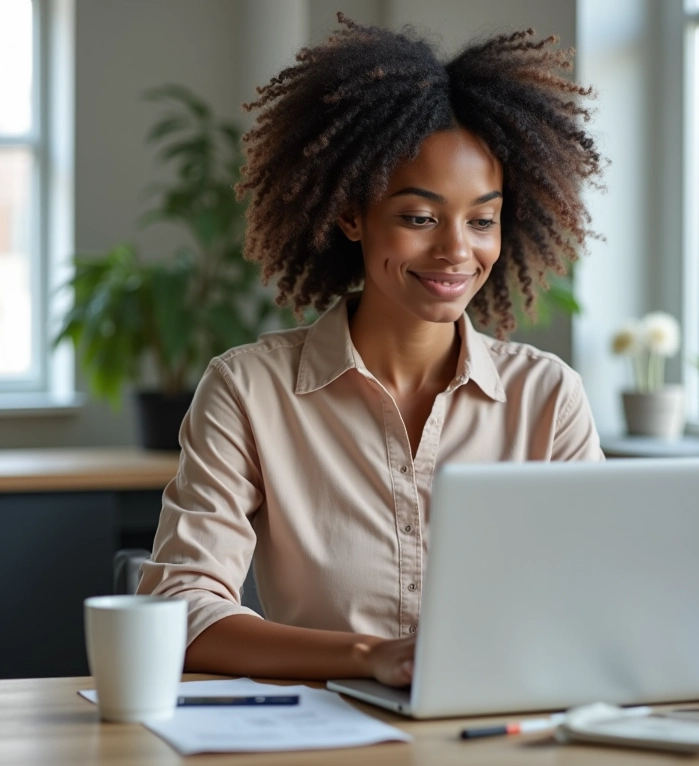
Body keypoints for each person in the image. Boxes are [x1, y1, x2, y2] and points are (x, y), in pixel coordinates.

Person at [138, 14, 605, 687]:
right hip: (322, 742)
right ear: (352, 215)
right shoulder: (249, 390)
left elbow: (598, 598)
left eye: (482, 220)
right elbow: (180, 610)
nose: (455, 251)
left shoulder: (547, 397)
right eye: (419, 217)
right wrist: (370, 658)